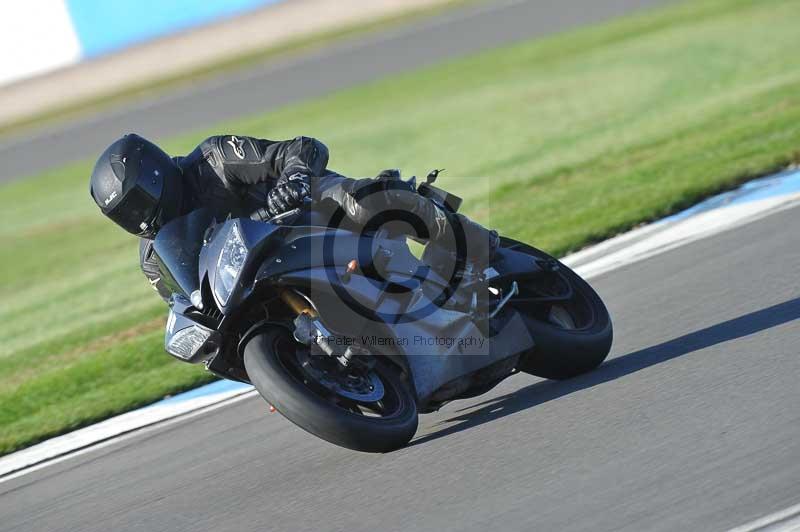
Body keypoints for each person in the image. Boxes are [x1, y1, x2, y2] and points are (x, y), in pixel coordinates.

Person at [89, 133, 497, 300]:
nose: (140, 217)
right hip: (270, 275)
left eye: (139, 202)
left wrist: (296, 179)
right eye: (128, 215)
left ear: (156, 176)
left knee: (351, 198)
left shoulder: (214, 159)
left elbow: (302, 148)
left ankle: (470, 243)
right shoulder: (153, 260)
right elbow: (191, 306)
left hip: (308, 217)